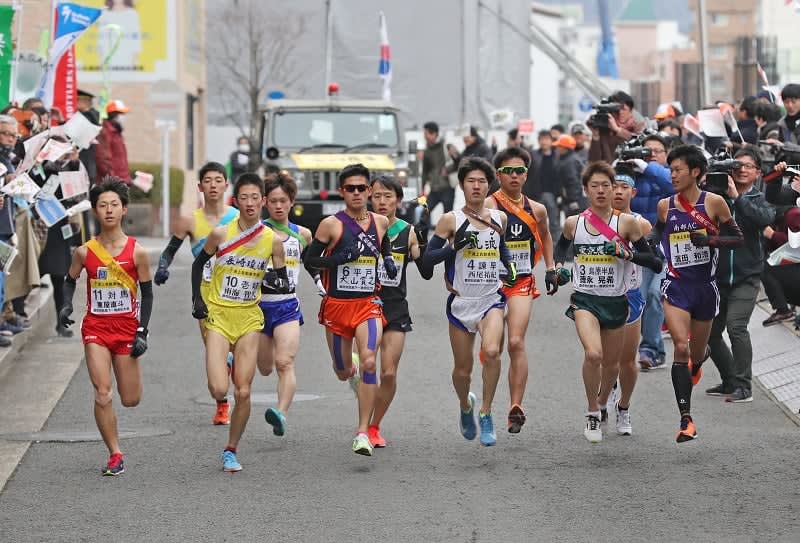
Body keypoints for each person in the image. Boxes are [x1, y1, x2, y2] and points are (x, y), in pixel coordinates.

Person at [554, 161, 661, 443]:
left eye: (606, 185)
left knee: (617, 365)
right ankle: (592, 412)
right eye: (594, 186)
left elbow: (654, 262)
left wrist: (627, 255)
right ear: (586, 190)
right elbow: (562, 244)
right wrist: (556, 268)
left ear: (614, 189)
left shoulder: (628, 223)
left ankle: (614, 404)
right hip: (585, 300)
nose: (601, 191)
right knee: (594, 355)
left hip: (620, 300)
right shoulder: (573, 222)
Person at [190, 173, 287, 472]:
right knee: (220, 389)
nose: (249, 203)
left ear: (262, 201)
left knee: (243, 391)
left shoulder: (272, 240)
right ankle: (222, 371)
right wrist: (198, 300)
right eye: (243, 198)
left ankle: (231, 449)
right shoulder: (221, 234)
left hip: (249, 317)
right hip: (218, 314)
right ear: (237, 201)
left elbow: (282, 280)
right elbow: (198, 265)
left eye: (254, 198)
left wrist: (271, 277)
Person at [58, 177, 153, 476]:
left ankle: (117, 442)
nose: (109, 210)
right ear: (96, 212)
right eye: (103, 205)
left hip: (126, 329)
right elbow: (69, 280)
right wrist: (66, 305)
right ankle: (115, 453)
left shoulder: (137, 252)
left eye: (114, 205)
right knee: (102, 392)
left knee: (131, 399)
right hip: (96, 329)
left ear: (124, 210)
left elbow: (148, 293)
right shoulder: (85, 252)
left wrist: (142, 331)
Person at [303, 163, 396, 457]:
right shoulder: (331, 224)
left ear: (369, 190)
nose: (357, 193)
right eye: (350, 189)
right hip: (336, 306)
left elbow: (385, 245)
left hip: (368, 305)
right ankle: (349, 368)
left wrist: (389, 260)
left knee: (371, 362)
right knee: (343, 372)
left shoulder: (380, 222)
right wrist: (339, 259)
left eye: (361, 188)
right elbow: (310, 260)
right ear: (342, 192)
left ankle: (361, 432)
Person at [653, 145, 744, 442]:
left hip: (706, 289)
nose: (673, 175)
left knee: (695, 352)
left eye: (677, 169)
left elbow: (737, 238)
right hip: (676, 286)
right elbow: (656, 236)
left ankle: (699, 359)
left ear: (695, 172)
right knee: (680, 346)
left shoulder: (715, 203)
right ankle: (686, 420)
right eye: (670, 170)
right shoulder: (666, 206)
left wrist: (710, 240)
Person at [421, 157, 512, 447]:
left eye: (482, 181)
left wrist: (508, 268)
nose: (477, 186)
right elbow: (425, 260)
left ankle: (485, 412)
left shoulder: (499, 218)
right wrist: (453, 247)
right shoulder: (451, 220)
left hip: (491, 300)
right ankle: (466, 405)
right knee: (462, 372)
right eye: (471, 181)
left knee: (493, 351)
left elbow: (503, 250)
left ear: (489, 185)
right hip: (462, 304)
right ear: (462, 185)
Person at [154, 162, 239, 425]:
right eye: (208, 181)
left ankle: (235, 372)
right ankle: (222, 403)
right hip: (205, 294)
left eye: (218, 180)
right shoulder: (190, 220)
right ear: (200, 186)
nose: (213, 185)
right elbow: (170, 250)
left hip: (236, 291)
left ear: (226, 184)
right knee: (215, 351)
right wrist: (162, 266)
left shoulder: (237, 217)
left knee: (237, 348)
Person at [484, 146, 558, 434]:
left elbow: (546, 236)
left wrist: (550, 268)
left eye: (520, 171)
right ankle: (486, 402)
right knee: (493, 349)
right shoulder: (488, 206)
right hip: (490, 283)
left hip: (522, 281)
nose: (514, 176)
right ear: (498, 174)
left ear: (526, 174)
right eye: (508, 171)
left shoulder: (536, 209)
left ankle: (516, 406)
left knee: (516, 342)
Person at [705, 149, 775, 402]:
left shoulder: (758, 199)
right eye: (738, 165)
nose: (743, 170)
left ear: (757, 172)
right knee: (710, 333)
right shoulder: (715, 198)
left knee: (736, 327)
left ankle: (744, 386)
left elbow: (764, 219)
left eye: (749, 166)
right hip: (718, 277)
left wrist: (737, 198)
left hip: (748, 276)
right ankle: (729, 381)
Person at [366, 175, 430, 447]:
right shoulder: (361, 227)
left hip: (395, 306)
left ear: (398, 201)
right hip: (364, 306)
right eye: (377, 196)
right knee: (365, 367)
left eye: (388, 196)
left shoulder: (407, 231)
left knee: (389, 373)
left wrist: (427, 240)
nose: (382, 202)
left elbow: (426, 271)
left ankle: (373, 426)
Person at [257, 171, 317, 437]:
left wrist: (322, 284)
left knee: (284, 363)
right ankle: (236, 355)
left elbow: (311, 263)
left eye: (283, 200)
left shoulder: (303, 234)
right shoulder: (256, 233)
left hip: (287, 306)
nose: (279, 206)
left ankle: (280, 413)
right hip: (257, 307)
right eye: (273, 201)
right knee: (265, 367)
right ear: (265, 203)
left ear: (292, 202)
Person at [596, 169, 654, 435]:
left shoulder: (640, 224)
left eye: (623, 187)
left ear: (633, 192)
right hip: (598, 294)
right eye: (613, 186)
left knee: (628, 360)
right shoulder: (591, 220)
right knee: (602, 357)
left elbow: (653, 260)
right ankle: (607, 389)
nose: (618, 191)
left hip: (629, 294)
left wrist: (626, 253)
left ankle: (624, 407)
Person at [627, 134, 673, 371]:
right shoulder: (635, 177)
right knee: (641, 298)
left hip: (670, 249)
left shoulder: (668, 175)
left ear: (666, 154)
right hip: (643, 249)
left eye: (658, 150)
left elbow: (673, 186)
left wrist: (650, 167)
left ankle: (651, 350)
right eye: (648, 151)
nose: (652, 154)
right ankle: (651, 350)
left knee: (656, 294)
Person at [589, 90, 645, 163]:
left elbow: (639, 143)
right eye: (616, 110)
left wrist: (618, 130)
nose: (620, 112)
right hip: (608, 171)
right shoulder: (604, 130)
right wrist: (595, 135)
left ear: (631, 111)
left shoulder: (638, 126)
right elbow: (594, 160)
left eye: (623, 109)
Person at [526, 130, 561, 240]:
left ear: (551, 141)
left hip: (552, 194)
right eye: (541, 139)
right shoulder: (533, 155)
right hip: (537, 193)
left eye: (546, 139)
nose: (544, 142)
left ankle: (556, 250)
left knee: (554, 223)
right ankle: (536, 249)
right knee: (535, 223)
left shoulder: (558, 155)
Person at [420, 121, 454, 222]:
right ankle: (423, 237)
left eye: (426, 133)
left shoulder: (447, 146)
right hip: (434, 190)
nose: (424, 136)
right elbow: (425, 171)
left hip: (447, 188)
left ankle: (449, 238)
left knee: (448, 217)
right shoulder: (427, 151)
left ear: (434, 134)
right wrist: (422, 188)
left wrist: (447, 170)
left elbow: (460, 161)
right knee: (424, 213)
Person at [95, 100, 131, 184]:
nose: (123, 117)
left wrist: (128, 179)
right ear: (113, 114)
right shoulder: (105, 132)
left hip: (121, 182)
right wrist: (113, 180)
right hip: (112, 184)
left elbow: (120, 160)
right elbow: (102, 159)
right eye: (121, 114)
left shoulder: (117, 132)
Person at [553, 134, 586, 218]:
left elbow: (573, 182)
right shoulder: (568, 158)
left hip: (575, 201)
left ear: (564, 148)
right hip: (571, 199)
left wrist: (573, 200)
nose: (557, 148)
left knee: (574, 225)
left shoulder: (569, 162)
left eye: (559, 146)